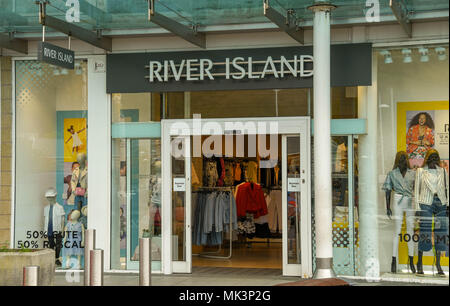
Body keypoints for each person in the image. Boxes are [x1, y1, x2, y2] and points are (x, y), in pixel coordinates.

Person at [414, 149, 449, 276]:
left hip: (441, 202)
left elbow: (447, 187)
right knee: (425, 232)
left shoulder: (443, 171)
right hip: (426, 202)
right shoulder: (421, 171)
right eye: (432, 157)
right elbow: (416, 190)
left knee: (441, 233)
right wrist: (417, 207)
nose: (434, 159)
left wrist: (448, 204)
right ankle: (420, 263)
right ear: (428, 158)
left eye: (436, 157)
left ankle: (438, 264)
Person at [382, 151, 416, 273]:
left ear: (406, 159)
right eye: (400, 158)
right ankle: (393, 260)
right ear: (397, 160)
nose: (402, 160)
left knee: (410, 230)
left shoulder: (413, 173)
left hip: (409, 199)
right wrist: (387, 207)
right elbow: (387, 190)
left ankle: (411, 260)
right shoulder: (392, 174)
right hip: (398, 199)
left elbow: (416, 190)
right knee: (397, 230)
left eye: (404, 158)